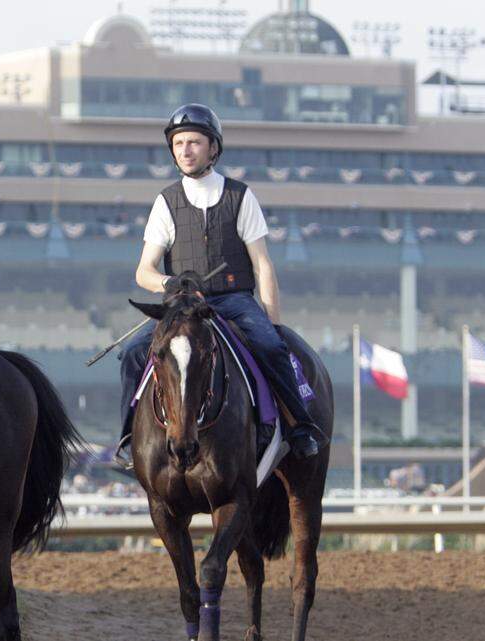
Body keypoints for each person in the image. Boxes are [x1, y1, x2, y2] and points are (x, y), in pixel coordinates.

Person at [116, 103, 329, 465]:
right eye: (179, 143)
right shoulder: (165, 202)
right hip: (184, 306)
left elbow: (262, 264)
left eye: (194, 142)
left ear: (213, 148)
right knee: (132, 353)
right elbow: (144, 271)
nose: (185, 150)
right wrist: (170, 283)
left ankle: (300, 427)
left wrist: (274, 323)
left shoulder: (241, 196)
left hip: (233, 301)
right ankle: (128, 438)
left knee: (272, 347)